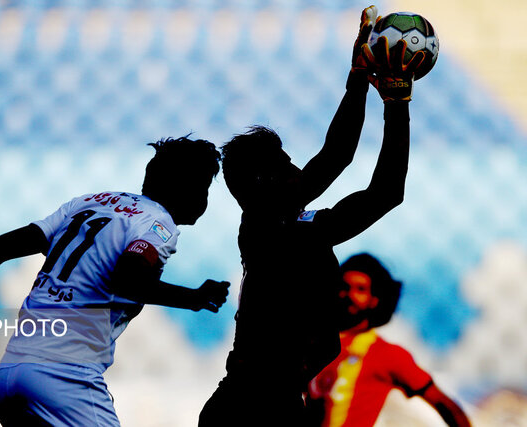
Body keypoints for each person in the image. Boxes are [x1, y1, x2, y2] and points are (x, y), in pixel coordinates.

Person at [199, 6, 429, 426]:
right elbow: (345, 165)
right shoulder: (270, 227)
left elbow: (371, 184)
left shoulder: (291, 227)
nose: (296, 170)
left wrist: (367, 82)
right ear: (263, 182)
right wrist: (392, 98)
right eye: (286, 164)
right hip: (253, 406)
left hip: (268, 402)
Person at [0, 136, 230, 426]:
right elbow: (128, 279)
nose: (204, 200)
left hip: (9, 376)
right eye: (204, 187)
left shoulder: (88, 203)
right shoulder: (158, 224)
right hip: (64, 378)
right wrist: (194, 298)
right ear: (187, 189)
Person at [305, 253, 471, 427]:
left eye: (360, 289)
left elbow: (446, 405)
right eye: (344, 287)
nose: (348, 295)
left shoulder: (387, 355)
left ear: (375, 300)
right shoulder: (314, 341)